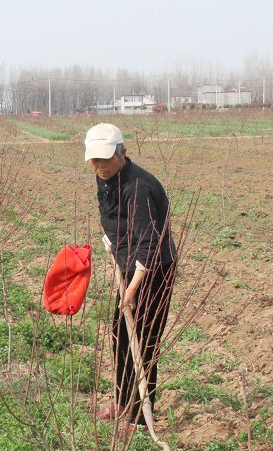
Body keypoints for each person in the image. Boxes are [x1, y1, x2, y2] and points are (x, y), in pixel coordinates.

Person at [84, 123, 176, 428]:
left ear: (122, 153)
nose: (99, 167)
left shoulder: (139, 187)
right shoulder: (105, 178)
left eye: (105, 159)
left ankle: (139, 414)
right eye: (94, 161)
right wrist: (110, 242)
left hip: (154, 269)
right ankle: (122, 401)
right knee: (120, 333)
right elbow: (110, 219)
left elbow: (149, 243)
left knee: (145, 339)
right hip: (128, 263)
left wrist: (133, 287)